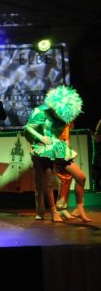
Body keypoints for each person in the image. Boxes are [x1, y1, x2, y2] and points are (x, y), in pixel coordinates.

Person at [24, 85, 90, 222]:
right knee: (47, 182)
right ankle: (51, 212)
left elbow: (63, 131)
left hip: (58, 148)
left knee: (81, 177)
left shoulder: (65, 114)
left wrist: (65, 143)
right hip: (43, 148)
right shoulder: (40, 112)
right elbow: (28, 127)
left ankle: (79, 208)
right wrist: (41, 138)